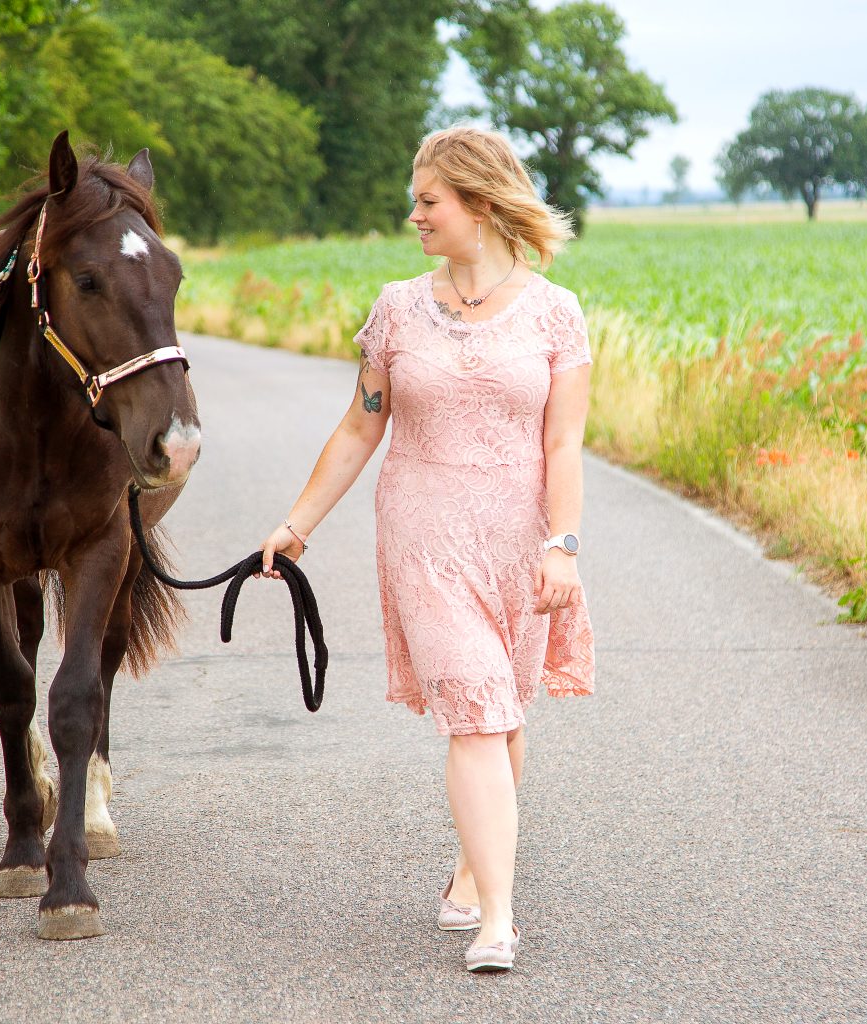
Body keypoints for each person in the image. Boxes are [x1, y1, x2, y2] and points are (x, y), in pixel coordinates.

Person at [256, 126, 596, 973]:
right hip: (425, 539)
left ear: (479, 205)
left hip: (520, 543)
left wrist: (562, 544)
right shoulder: (398, 309)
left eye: (428, 201)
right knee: (478, 711)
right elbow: (360, 425)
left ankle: (470, 874)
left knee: (506, 710)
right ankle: (499, 921)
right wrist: (298, 522)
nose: (415, 216)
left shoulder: (556, 312)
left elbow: (564, 446)